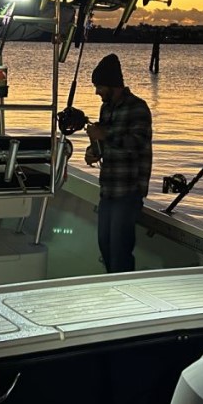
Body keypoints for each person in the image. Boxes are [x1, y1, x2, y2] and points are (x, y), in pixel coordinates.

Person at [84, 53, 152, 273]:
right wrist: (93, 152)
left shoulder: (138, 108)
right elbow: (106, 144)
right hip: (108, 190)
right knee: (104, 245)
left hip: (128, 191)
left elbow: (137, 143)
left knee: (120, 250)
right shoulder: (106, 108)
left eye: (99, 87)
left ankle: (123, 287)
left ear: (112, 85)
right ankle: (111, 284)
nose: (97, 92)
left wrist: (104, 134)